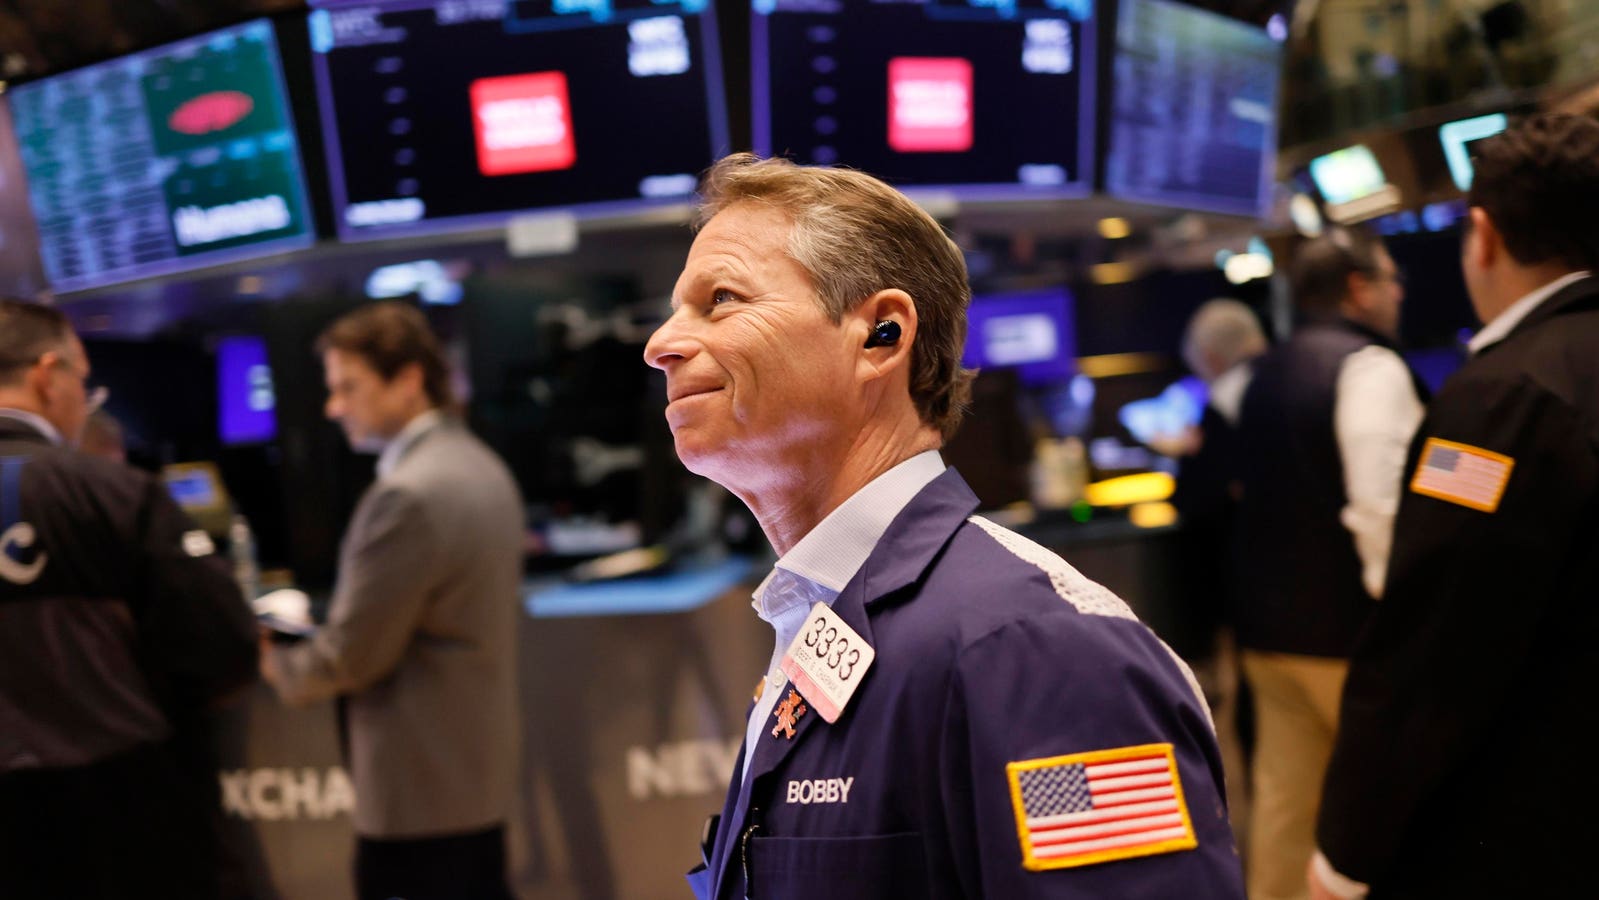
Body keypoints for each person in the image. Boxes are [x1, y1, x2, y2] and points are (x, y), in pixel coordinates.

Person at [644, 154, 1243, 899]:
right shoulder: (824, 618)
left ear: (881, 336)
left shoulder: (1040, 651)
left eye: (721, 299)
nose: (660, 344)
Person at [1310, 113, 1599, 899]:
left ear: (1483, 235)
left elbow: (1436, 636)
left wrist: (1345, 849)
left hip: (1536, 818)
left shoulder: (1500, 398)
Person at [258, 301, 524, 900]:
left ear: (407, 379)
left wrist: (275, 661)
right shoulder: (482, 466)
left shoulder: (406, 495)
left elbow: (351, 657)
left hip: (416, 794)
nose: (333, 407)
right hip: (472, 779)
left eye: (347, 387)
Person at [0, 299, 258, 899]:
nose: (85, 400)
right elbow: (221, 649)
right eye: (84, 381)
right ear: (47, 375)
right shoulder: (113, 493)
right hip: (126, 817)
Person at [1230, 227, 1426, 900]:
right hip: (1351, 638)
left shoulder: (1265, 370)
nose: (1400, 293)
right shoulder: (1369, 367)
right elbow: (1378, 508)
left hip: (1268, 635)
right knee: (1388, 814)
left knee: (1286, 812)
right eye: (1391, 279)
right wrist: (1405, 617)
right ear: (1357, 289)